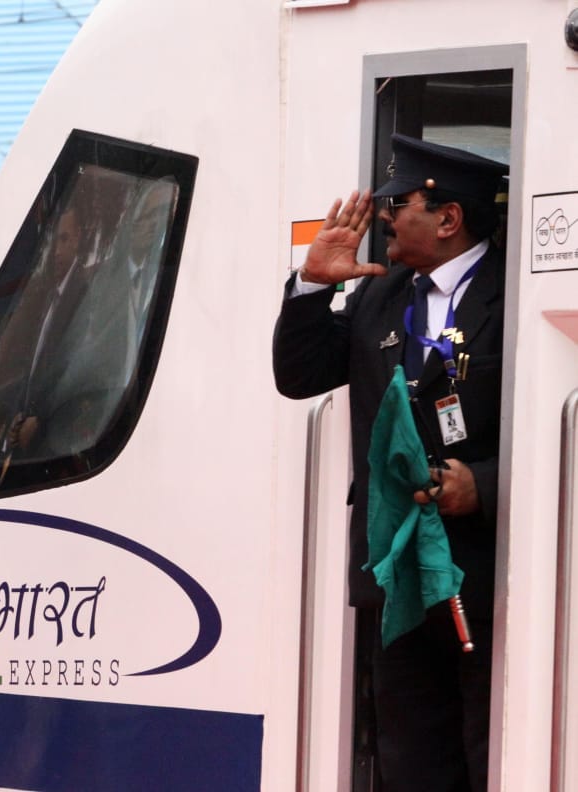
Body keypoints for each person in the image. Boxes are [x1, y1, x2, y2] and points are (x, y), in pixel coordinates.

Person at [272, 133, 507, 791]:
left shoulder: (514, 294)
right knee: (410, 761)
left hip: (485, 578)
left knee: (485, 754)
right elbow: (299, 375)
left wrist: (485, 486)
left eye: (396, 202)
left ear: (448, 217)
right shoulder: (382, 292)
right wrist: (312, 286)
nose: (381, 214)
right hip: (396, 579)